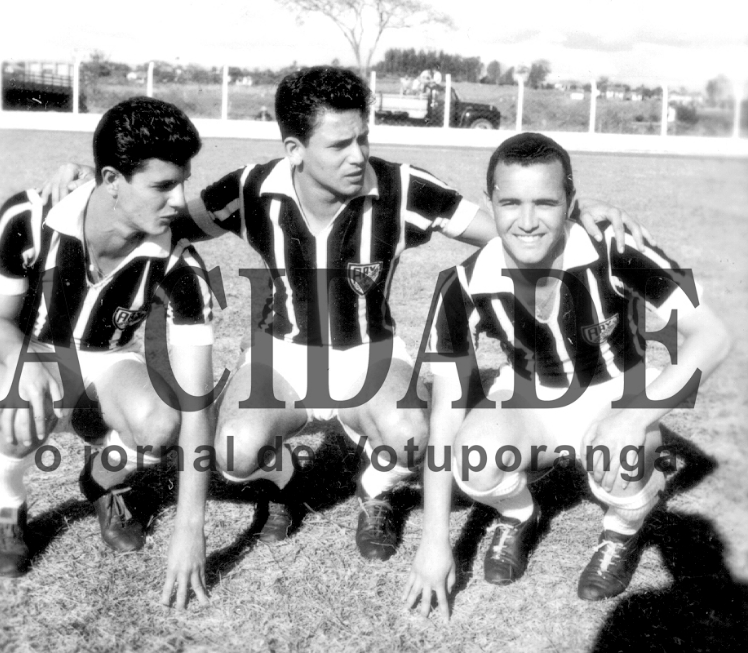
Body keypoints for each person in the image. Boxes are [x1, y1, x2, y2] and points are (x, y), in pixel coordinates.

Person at [42, 67, 647, 564]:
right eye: (340, 144)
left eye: (363, 137)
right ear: (294, 149)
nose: (359, 154)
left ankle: (375, 489)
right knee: (233, 451)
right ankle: (284, 481)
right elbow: (161, 213)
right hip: (282, 358)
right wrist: (80, 184)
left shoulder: (400, 186)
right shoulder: (252, 190)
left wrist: (576, 208)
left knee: (412, 437)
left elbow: (510, 232)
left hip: (372, 355)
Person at [403, 132, 730, 619]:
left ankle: (622, 527)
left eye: (546, 202)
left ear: (570, 203)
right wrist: (433, 542)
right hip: (530, 399)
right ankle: (518, 515)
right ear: (489, 201)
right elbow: (445, 414)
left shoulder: (613, 249)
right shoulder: (462, 282)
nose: (528, 220)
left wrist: (633, 419)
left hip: (613, 393)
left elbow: (713, 336)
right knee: (472, 457)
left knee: (623, 445)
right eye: (510, 202)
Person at [0, 97, 216, 610]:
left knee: (160, 421)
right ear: (110, 178)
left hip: (107, 359)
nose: (179, 200)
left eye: (183, 181)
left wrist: (190, 527)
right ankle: (8, 506)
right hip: (28, 350)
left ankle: (104, 478)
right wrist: (26, 361)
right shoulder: (31, 214)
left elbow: (197, 402)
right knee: (11, 403)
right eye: (163, 185)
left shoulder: (178, 263)